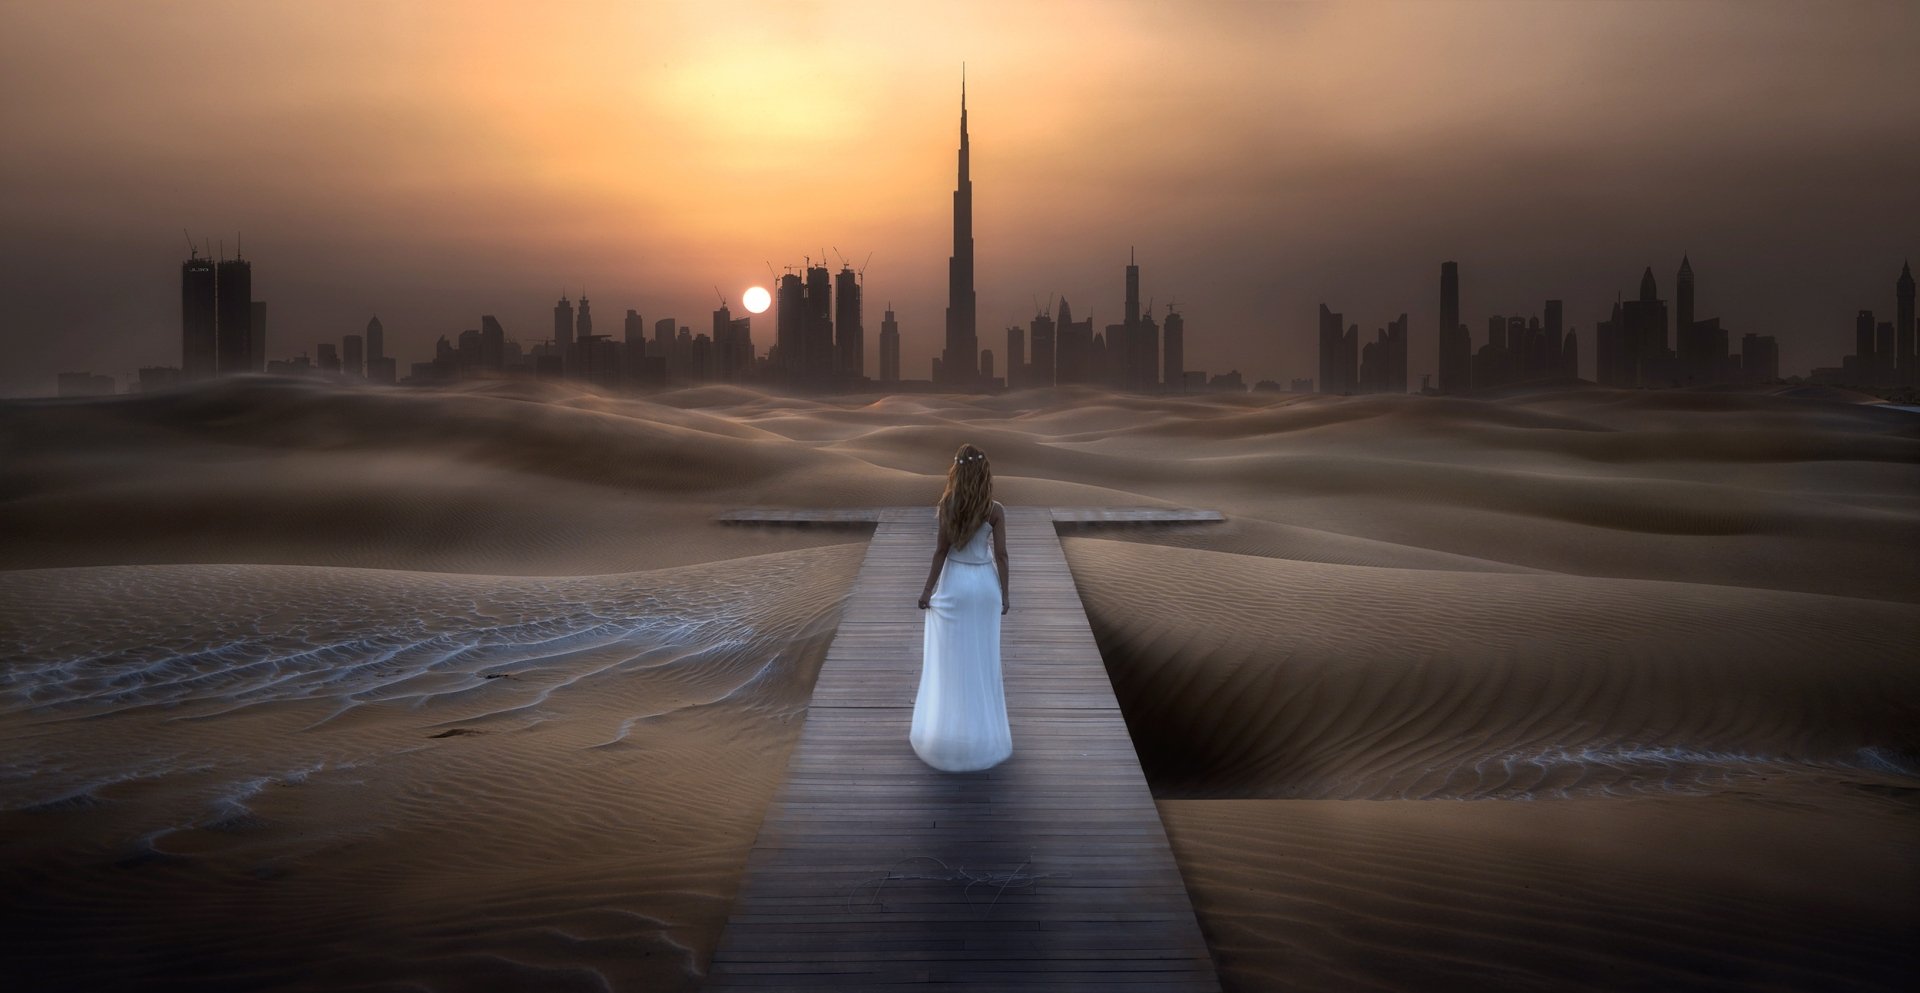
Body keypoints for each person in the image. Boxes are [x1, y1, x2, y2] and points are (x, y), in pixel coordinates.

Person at [911, 442, 1012, 772]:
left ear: (957, 471)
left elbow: (940, 552)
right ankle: (982, 734)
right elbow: (1001, 556)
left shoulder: (947, 504)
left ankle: (948, 731)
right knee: (982, 660)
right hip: (984, 587)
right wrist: (1006, 594)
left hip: (954, 585)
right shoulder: (995, 509)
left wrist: (927, 590)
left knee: (952, 661)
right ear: (984, 473)